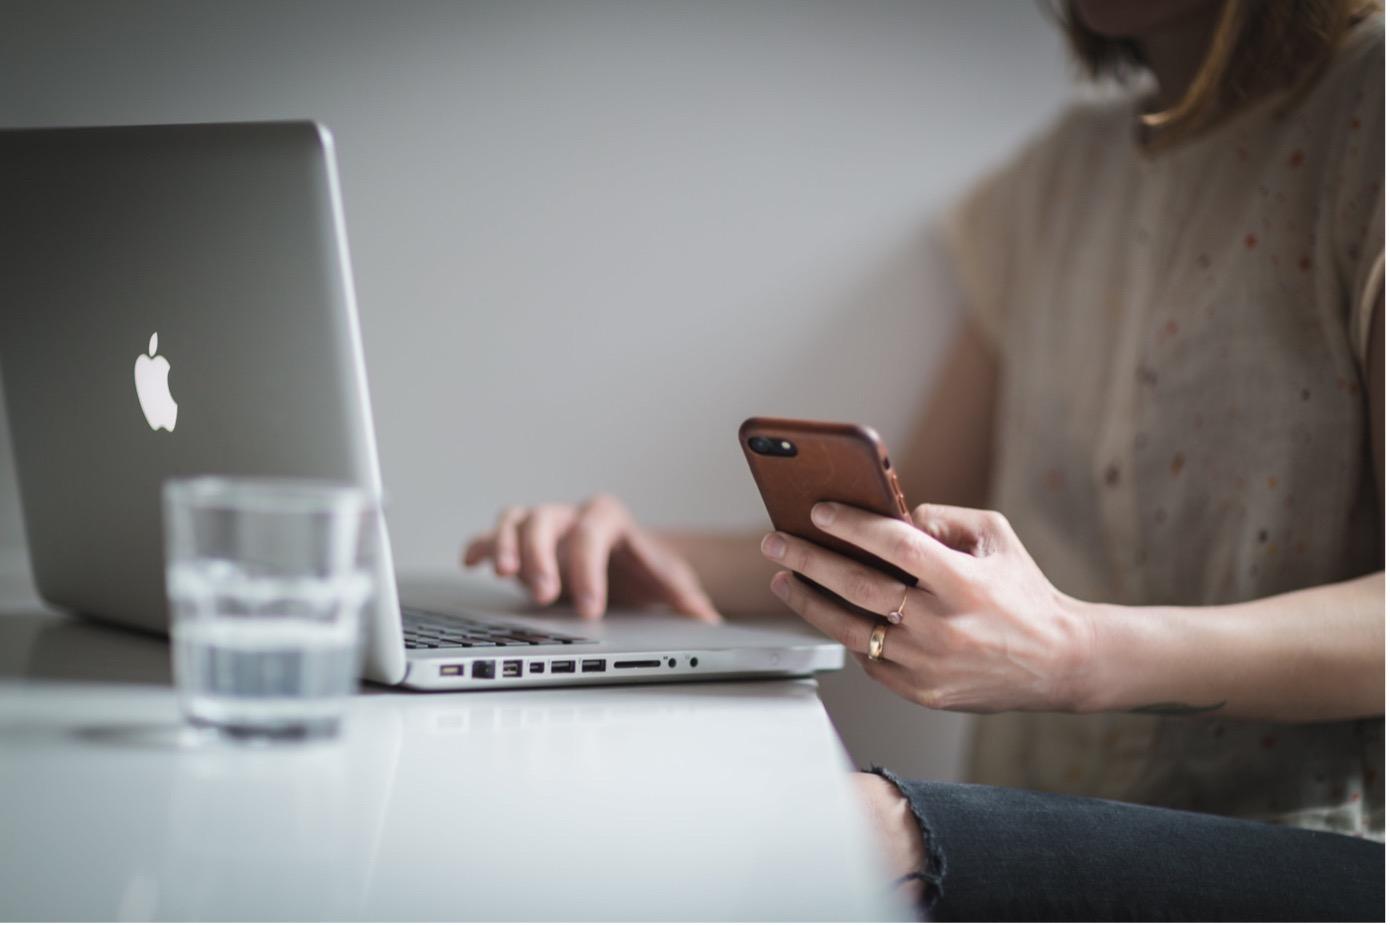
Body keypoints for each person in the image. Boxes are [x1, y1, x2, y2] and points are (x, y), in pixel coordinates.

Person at [463, 0, 1386, 918]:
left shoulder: (1371, 109)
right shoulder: (1057, 179)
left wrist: (1076, 653)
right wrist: (642, 551)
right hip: (1062, 811)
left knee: (834, 832)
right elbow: (904, 537)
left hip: (1324, 846)